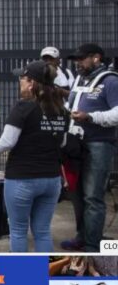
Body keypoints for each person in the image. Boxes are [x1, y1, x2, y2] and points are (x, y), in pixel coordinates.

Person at [0, 61, 67, 252]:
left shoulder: (23, 107)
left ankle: (21, 276)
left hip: (23, 178)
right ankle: (45, 276)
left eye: (22, 78)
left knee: (18, 231)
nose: (20, 82)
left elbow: (8, 141)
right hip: (51, 179)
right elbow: (63, 143)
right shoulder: (62, 110)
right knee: (42, 231)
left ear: (31, 83)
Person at [60, 43, 118, 252]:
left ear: (96, 58)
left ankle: (93, 245)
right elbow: (71, 106)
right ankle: (82, 237)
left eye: (82, 59)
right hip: (76, 144)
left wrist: (91, 116)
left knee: (93, 196)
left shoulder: (110, 81)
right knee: (77, 194)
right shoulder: (79, 80)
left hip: (99, 144)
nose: (78, 63)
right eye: (76, 60)